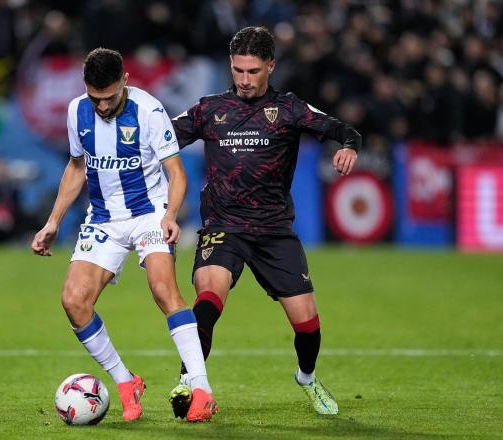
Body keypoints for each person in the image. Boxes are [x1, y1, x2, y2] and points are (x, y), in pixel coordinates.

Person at [168, 26, 360, 418]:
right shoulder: (210, 109)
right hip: (223, 227)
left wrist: (349, 146)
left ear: (271, 66)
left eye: (253, 71)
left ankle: (306, 378)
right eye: (238, 70)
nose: (244, 80)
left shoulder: (290, 109)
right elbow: (162, 138)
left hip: (274, 231)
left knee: (308, 327)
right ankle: (190, 381)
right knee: (208, 298)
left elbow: (343, 129)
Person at [31, 48, 218, 423]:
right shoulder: (76, 111)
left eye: (110, 97)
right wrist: (53, 221)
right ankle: (125, 380)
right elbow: (76, 166)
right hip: (103, 220)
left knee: (164, 290)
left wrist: (169, 215)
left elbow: (177, 173)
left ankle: (202, 388)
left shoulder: (149, 111)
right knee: (73, 301)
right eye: (95, 98)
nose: (101, 106)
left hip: (149, 214)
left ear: (125, 82)